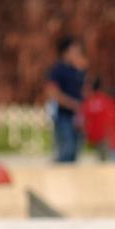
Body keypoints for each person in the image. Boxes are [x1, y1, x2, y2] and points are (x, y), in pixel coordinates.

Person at [45, 36, 87, 164]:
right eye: (74, 51)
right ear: (65, 53)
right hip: (64, 116)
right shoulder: (57, 70)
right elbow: (52, 92)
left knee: (75, 152)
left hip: (78, 117)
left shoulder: (79, 71)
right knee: (65, 151)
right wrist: (72, 104)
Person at [81, 77, 115, 161]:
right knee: (106, 159)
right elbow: (111, 118)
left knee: (101, 158)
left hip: (95, 134)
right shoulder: (107, 100)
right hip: (105, 134)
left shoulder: (89, 101)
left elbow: (84, 119)